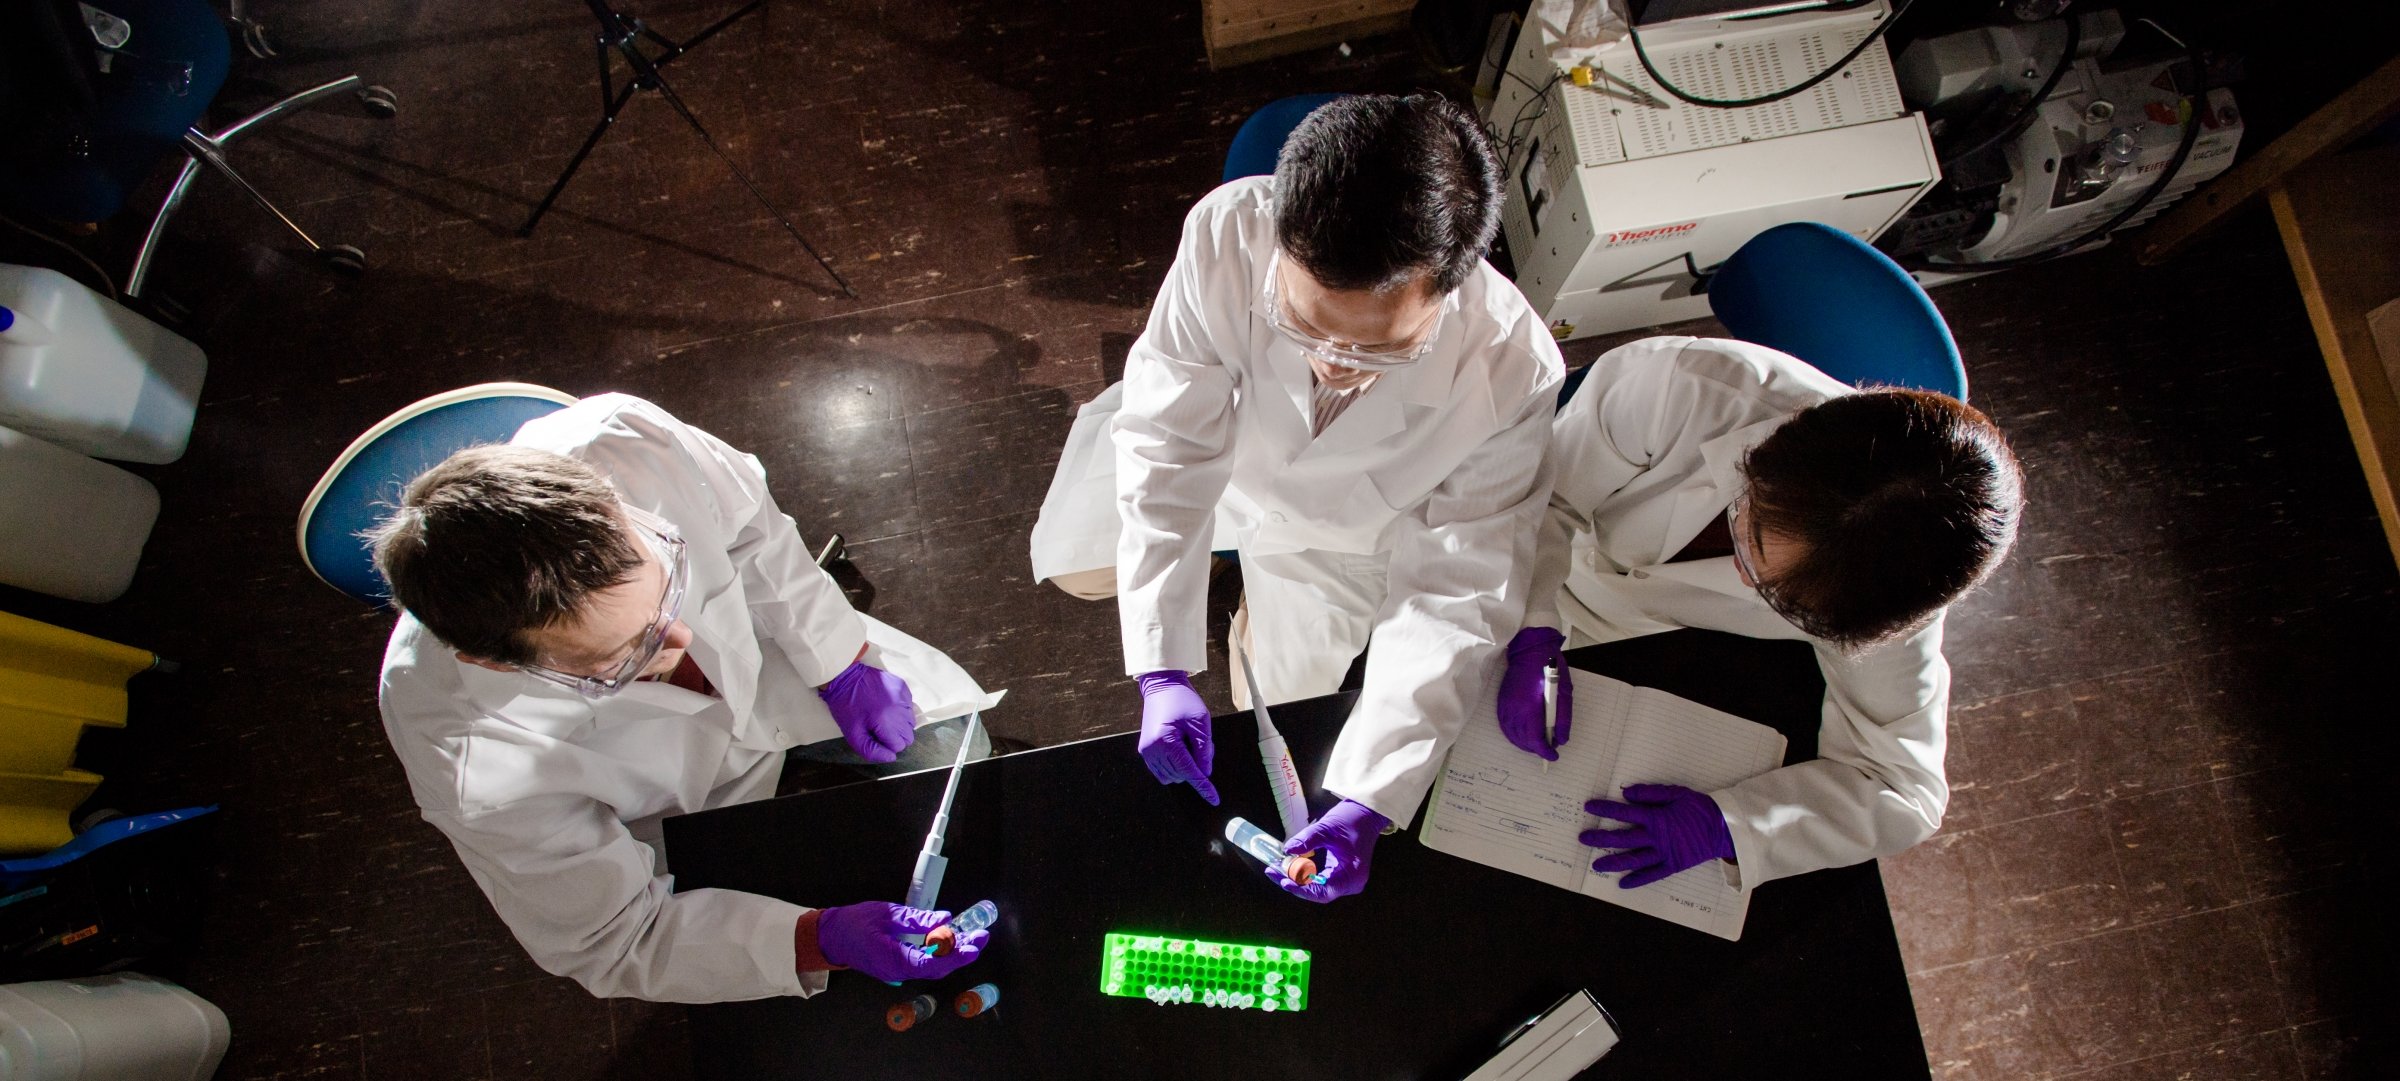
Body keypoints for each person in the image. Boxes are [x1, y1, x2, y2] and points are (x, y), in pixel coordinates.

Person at [1028, 94, 1565, 902]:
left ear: (1450, 288)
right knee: (1080, 567)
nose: (1333, 366)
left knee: (1286, 697)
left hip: (1343, 541)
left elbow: (1456, 588)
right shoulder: (1225, 234)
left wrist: (1374, 800)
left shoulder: (1512, 368)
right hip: (1225, 456)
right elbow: (1172, 446)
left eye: (1379, 349)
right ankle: (1212, 588)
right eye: (1306, 326)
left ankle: (1251, 613)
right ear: (1280, 233)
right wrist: (1163, 666)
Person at [372, 393, 1001, 1002]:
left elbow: (753, 530)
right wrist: (819, 939)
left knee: (962, 749)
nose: (681, 642)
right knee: (801, 893)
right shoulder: (465, 749)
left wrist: (840, 662)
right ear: (491, 661)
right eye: (623, 654)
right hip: (691, 804)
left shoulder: (623, 441)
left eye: (669, 587)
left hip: (782, 672)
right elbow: (618, 939)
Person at [1499, 336, 2023, 893]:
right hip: (1532, 560)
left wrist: (1731, 826)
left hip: (1654, 650)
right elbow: (1542, 501)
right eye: (1750, 539)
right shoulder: (1687, 387)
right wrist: (1531, 622)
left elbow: (1907, 791)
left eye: (1781, 597)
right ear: (1761, 465)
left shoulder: (1891, 600)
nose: (1744, 579)